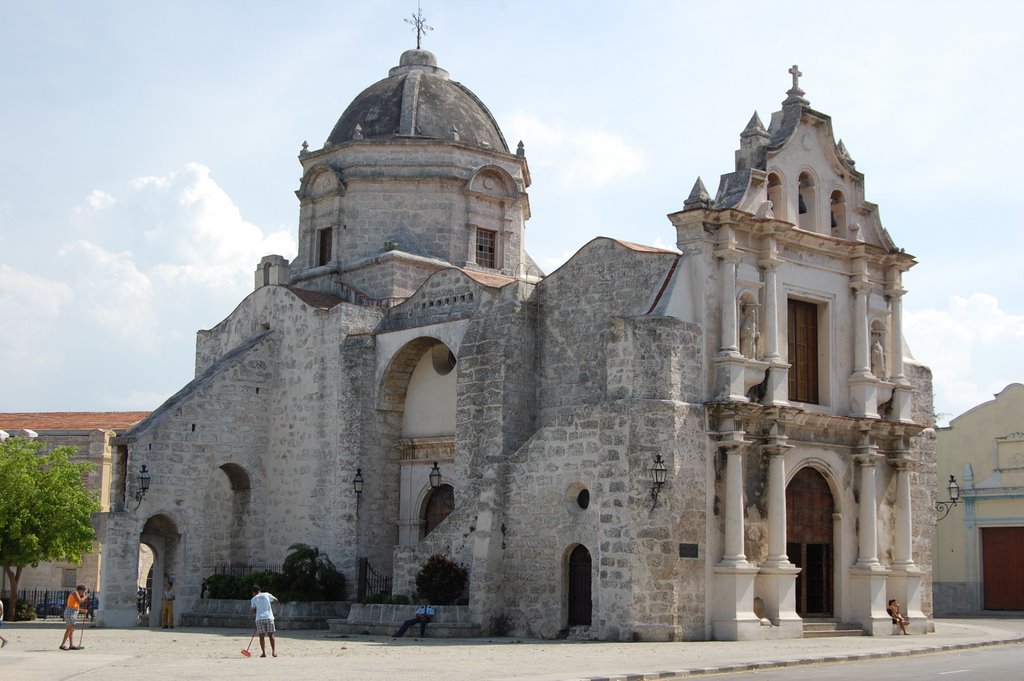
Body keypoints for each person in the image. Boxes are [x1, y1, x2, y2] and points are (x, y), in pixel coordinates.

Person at [250, 584, 279, 657]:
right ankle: (273, 652)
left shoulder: (253, 599)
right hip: (269, 617)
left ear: (253, 592)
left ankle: (263, 653)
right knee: (271, 635)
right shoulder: (266, 594)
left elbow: (253, 610)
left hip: (259, 619)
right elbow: (276, 600)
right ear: (259, 590)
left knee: (261, 636)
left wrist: (258, 610)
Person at [60, 585, 90, 650]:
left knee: (71, 630)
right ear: (80, 590)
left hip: (72, 613)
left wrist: (83, 610)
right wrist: (86, 596)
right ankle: (62, 645)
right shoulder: (75, 592)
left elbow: (76, 608)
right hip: (70, 613)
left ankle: (71, 645)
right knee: (70, 628)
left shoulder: (76, 596)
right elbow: (80, 601)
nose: (83, 593)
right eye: (83, 592)